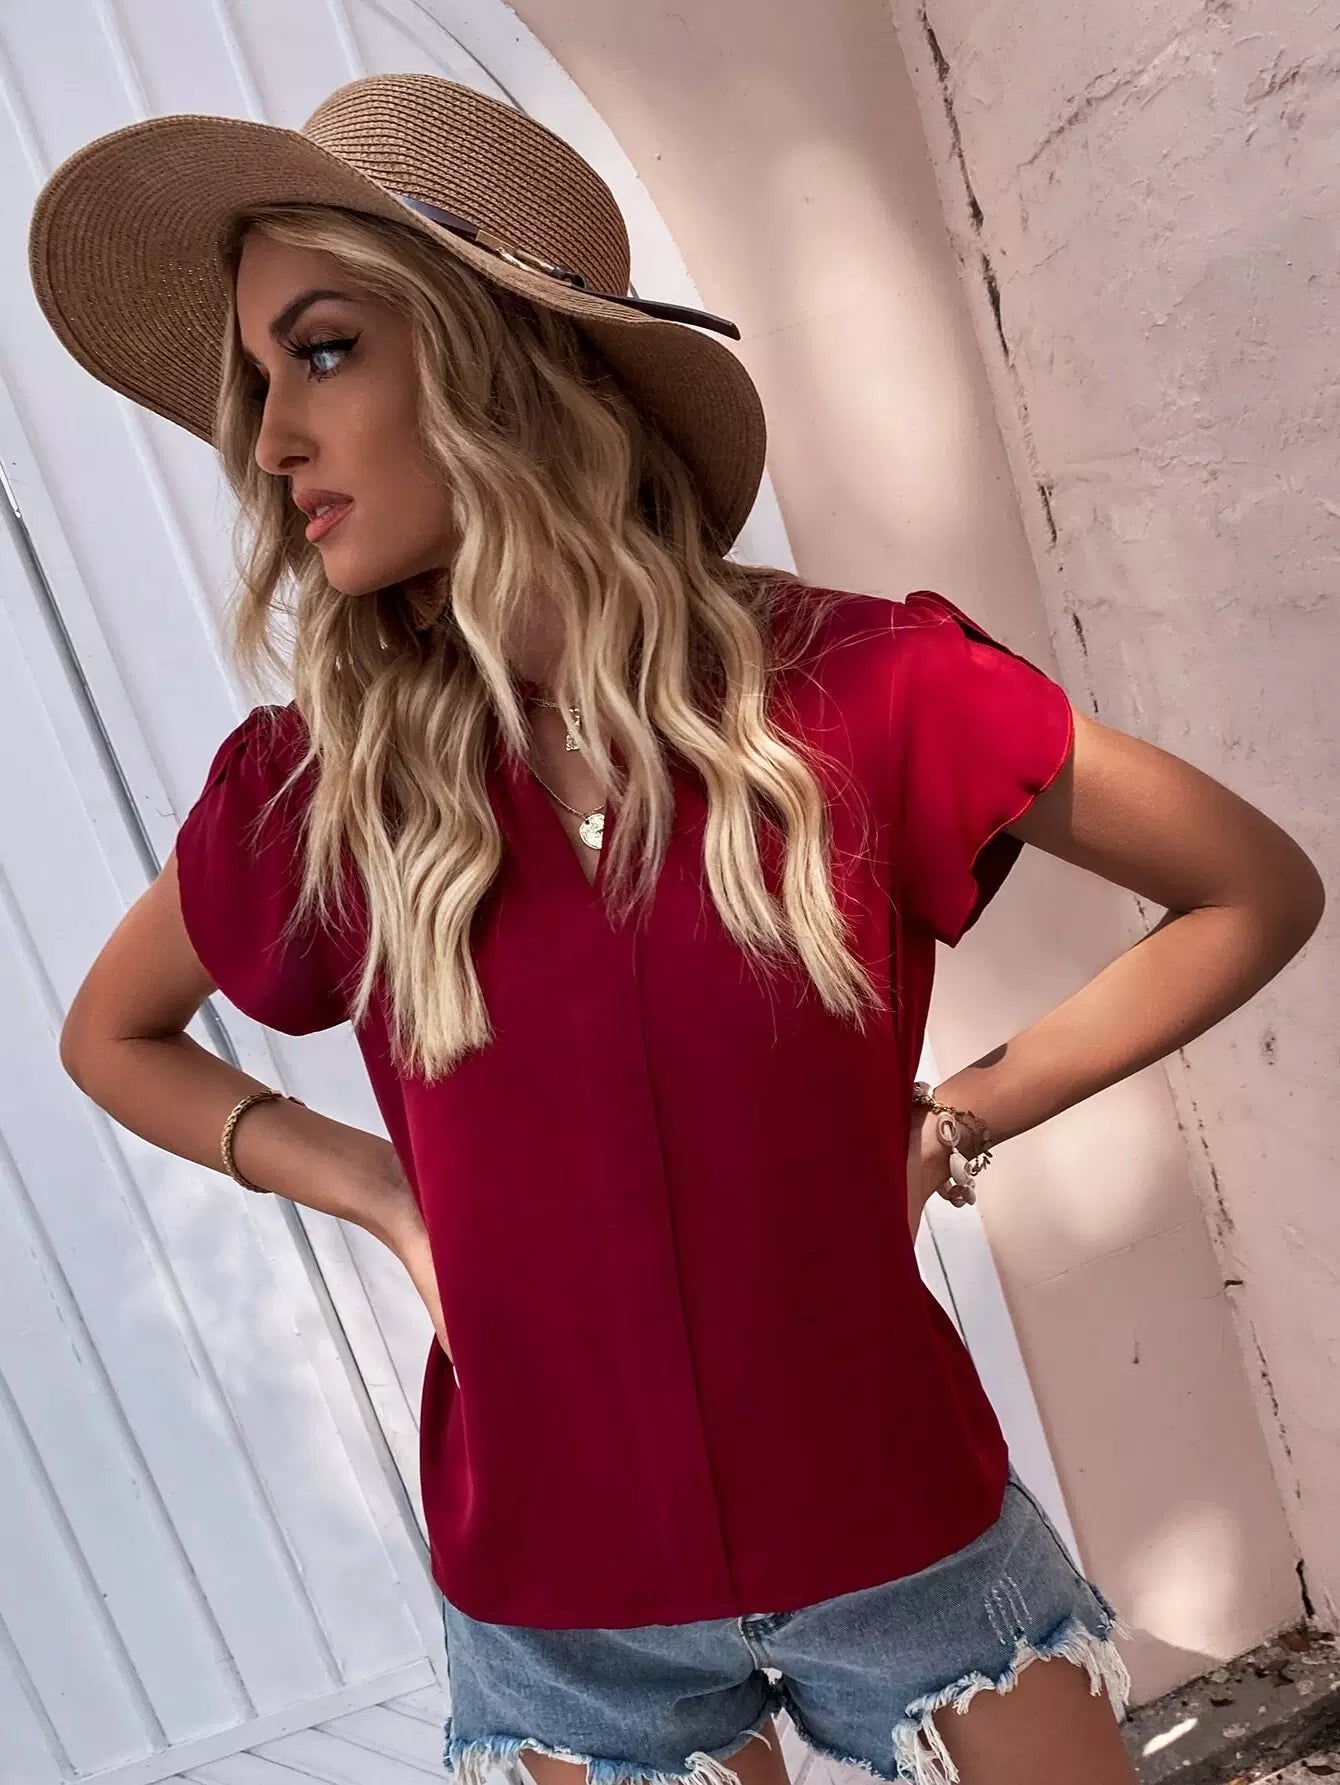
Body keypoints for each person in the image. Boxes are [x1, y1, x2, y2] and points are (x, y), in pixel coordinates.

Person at [32, 71, 1323, 1785]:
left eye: (322, 351)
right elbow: (108, 1035)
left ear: (497, 364)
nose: (269, 441)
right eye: (258, 381)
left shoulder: (866, 689)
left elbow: (1253, 887)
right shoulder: (327, 784)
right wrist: (380, 1190)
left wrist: (956, 1120)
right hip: (564, 1608)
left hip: (901, 1529)